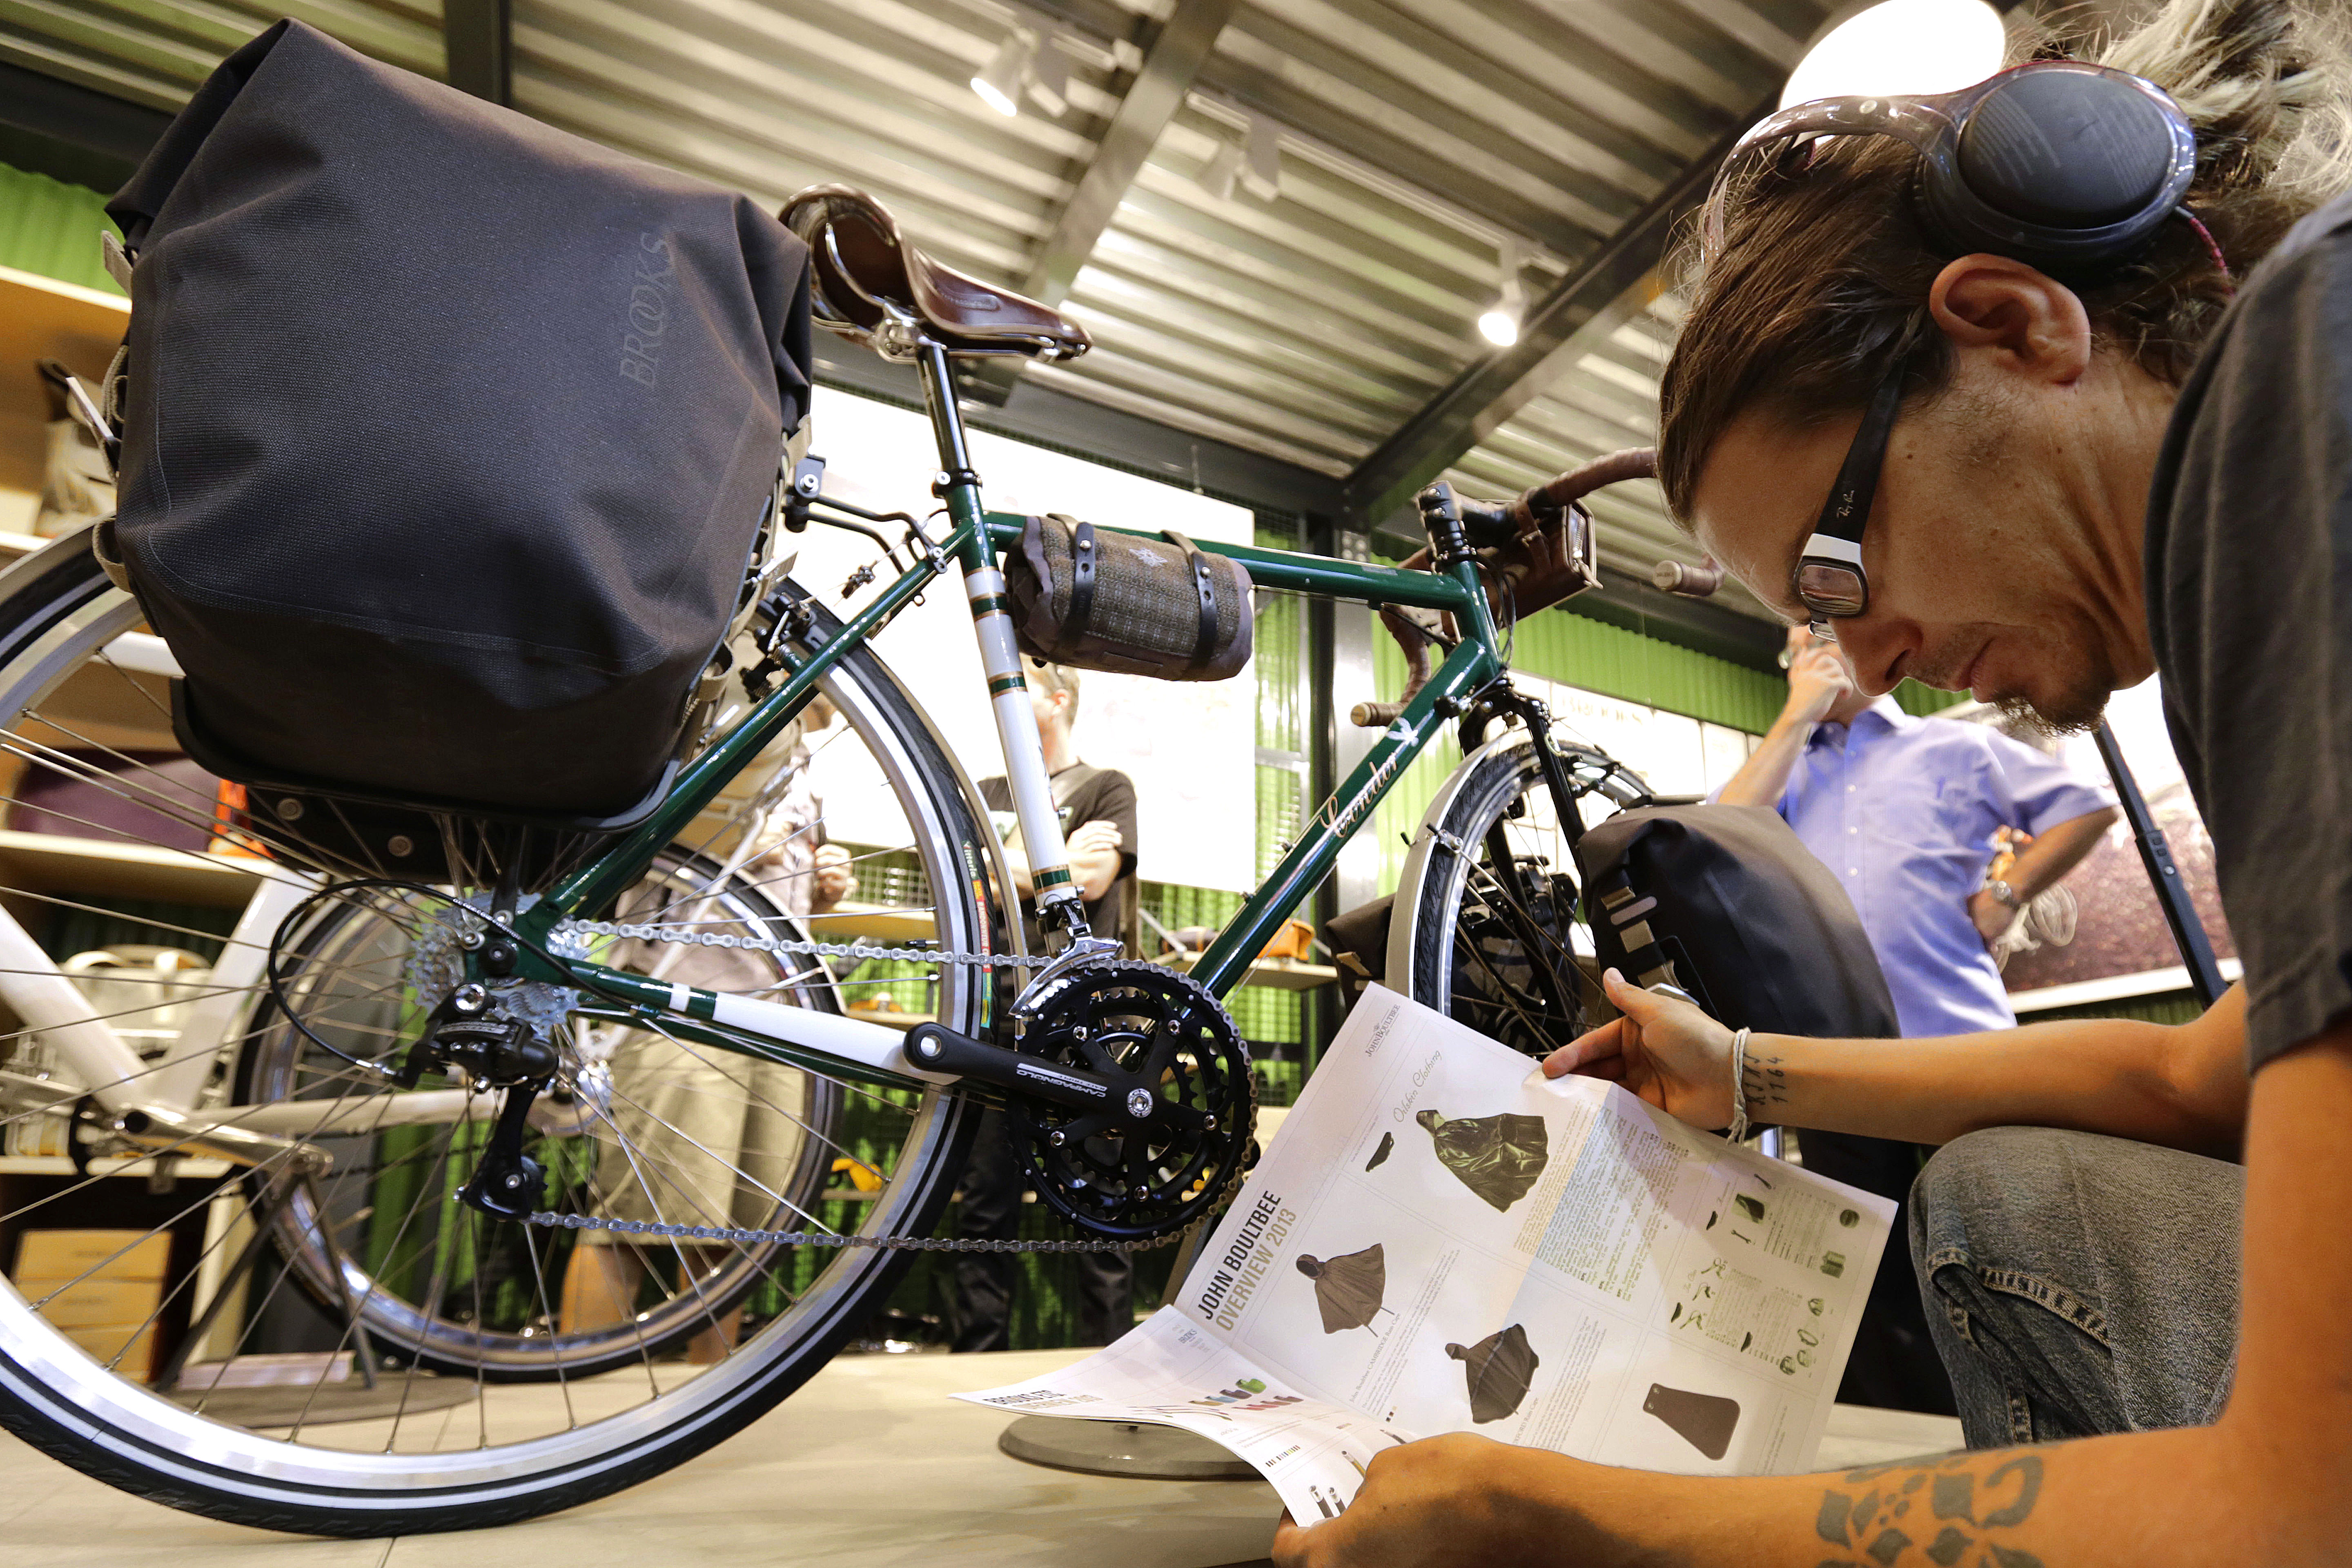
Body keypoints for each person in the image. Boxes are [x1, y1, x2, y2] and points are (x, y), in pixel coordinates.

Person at [1272, 0, 2352, 1561]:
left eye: (1837, 574)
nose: (1879, 668)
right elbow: (2195, 1078)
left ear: (2017, 326)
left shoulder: (2305, 365)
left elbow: (2308, 1512)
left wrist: (1569, 1523)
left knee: (2006, 1216)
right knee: (2008, 1193)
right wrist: (1747, 1073)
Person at [1714, 623, 2117, 1412]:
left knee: (2006, 1243)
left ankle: (2055, 1413)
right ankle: (1915, 1427)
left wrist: (2003, 897)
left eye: (1826, 630)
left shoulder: (1954, 749)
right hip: (1838, 1060)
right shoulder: (1788, 771)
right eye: (1799, 642)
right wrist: (1796, 716)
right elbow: (1718, 841)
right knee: (1870, 1267)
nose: (1814, 647)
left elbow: (2085, 809)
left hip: (1962, 1047)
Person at [951, 658, 1141, 1350]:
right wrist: (1056, 855)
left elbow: (1089, 883)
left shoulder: (1106, 787)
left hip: (1084, 1031)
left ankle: (1109, 1365)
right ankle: (972, 1360)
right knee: (984, 1206)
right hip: (994, 1023)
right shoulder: (985, 792)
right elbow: (967, 879)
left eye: (1021, 683)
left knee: (1100, 1207)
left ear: (1058, 701)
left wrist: (1008, 863)